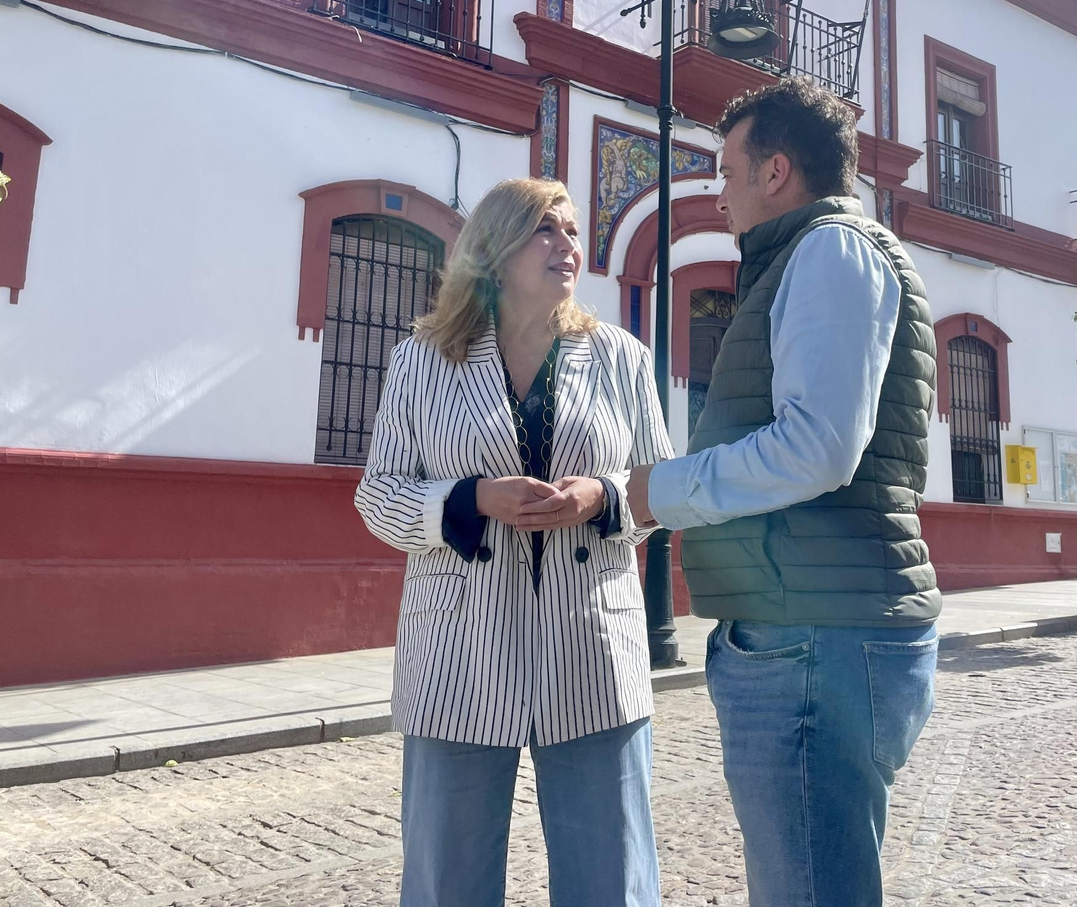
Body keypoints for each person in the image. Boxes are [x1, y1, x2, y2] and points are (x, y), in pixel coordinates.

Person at [626, 77, 943, 907]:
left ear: (775, 171)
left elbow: (819, 447)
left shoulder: (830, 251)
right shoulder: (813, 256)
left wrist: (654, 494)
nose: (717, 189)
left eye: (727, 170)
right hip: (809, 624)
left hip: (815, 637)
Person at [356, 177, 670, 907]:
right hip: (459, 652)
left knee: (612, 879)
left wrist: (603, 494)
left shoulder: (621, 357)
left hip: (593, 646)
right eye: (546, 229)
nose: (569, 244)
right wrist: (469, 499)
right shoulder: (422, 361)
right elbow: (379, 495)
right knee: (447, 880)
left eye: (570, 229)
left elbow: (662, 486)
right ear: (495, 249)